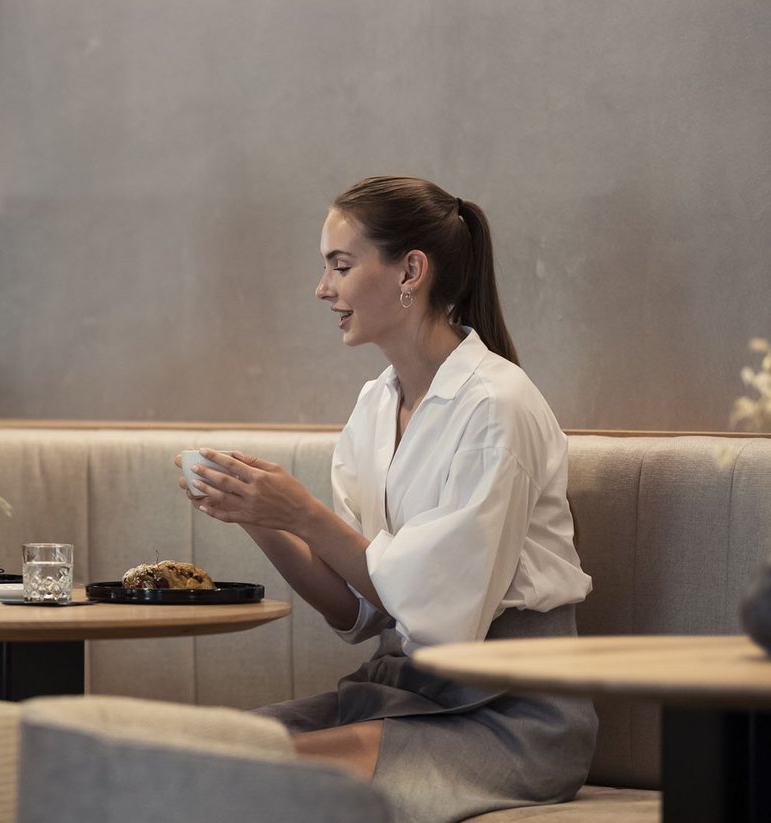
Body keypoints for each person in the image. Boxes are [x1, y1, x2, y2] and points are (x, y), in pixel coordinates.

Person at [179, 176, 596, 822]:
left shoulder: (496, 406)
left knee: (265, 779)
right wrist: (258, 515)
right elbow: (357, 608)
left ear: (411, 272)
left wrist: (304, 513)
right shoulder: (377, 405)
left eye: (340, 266)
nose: (324, 288)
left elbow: (444, 616)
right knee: (201, 752)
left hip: (511, 714)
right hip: (405, 694)